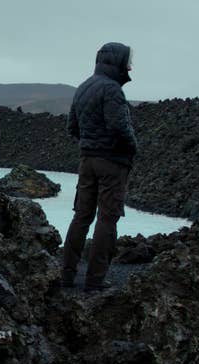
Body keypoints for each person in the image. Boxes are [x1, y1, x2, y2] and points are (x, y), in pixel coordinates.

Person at [61, 42, 137, 292]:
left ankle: (67, 273)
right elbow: (119, 127)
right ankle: (95, 280)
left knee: (82, 215)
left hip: (87, 160)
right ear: (116, 62)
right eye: (127, 61)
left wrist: (90, 143)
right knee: (107, 218)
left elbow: (72, 127)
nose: (130, 66)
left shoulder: (83, 88)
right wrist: (131, 147)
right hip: (112, 162)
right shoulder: (112, 90)